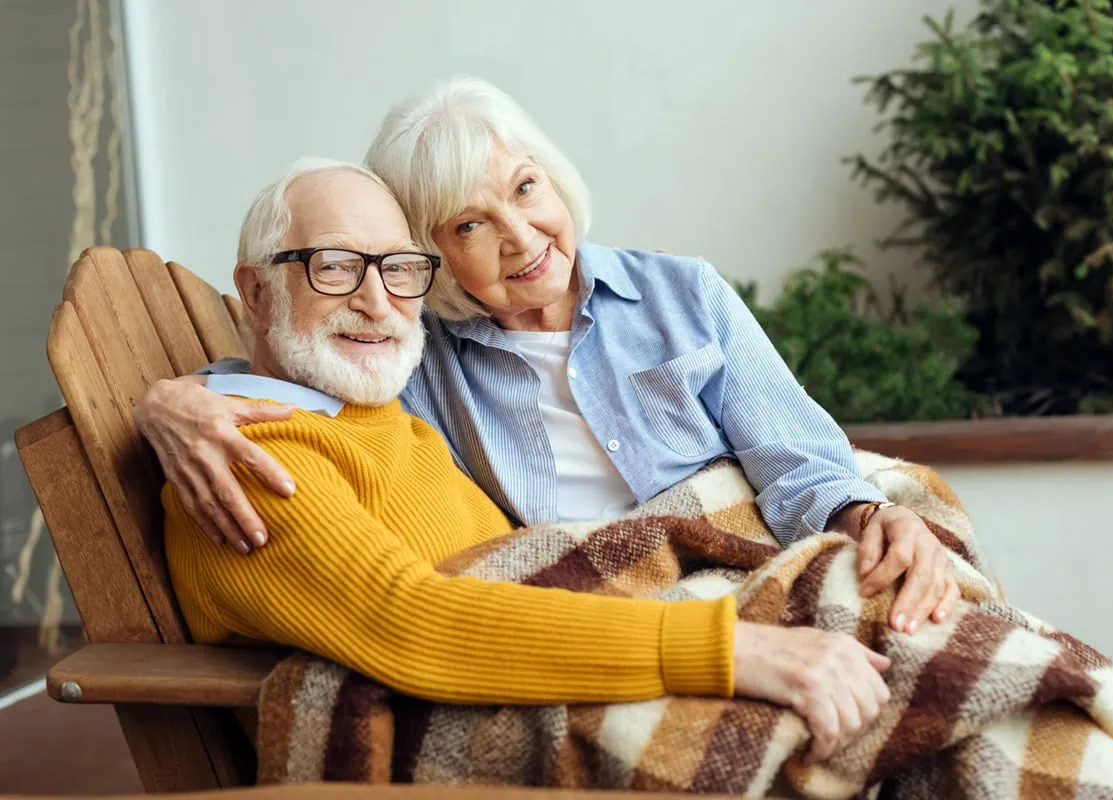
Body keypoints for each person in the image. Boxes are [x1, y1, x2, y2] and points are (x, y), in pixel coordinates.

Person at [135, 76, 958, 643]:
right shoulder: (423, 357)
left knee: (930, 616)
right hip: (601, 606)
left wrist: (868, 517)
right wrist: (169, 400)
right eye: (469, 225)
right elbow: (302, 358)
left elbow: (800, 464)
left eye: (525, 189)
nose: (522, 237)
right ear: (427, 260)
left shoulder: (684, 294)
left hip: (752, 555)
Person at [169, 157, 893, 766]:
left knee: (904, 610)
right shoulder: (239, 456)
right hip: (493, 731)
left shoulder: (381, 407)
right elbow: (414, 621)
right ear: (257, 292)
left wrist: (170, 396)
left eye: (398, 268)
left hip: (584, 644)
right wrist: (742, 650)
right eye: (333, 267)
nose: (376, 300)